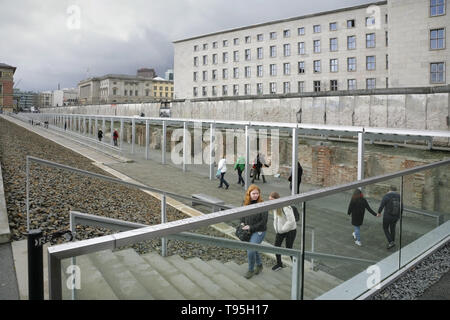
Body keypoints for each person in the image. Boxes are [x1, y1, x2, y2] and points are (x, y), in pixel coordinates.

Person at [241, 184, 268, 279]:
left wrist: (250, 227)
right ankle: (259, 265)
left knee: (251, 250)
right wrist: (242, 224)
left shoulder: (263, 205)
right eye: (253, 193)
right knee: (254, 248)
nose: (256, 195)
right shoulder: (245, 203)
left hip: (259, 231)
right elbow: (242, 215)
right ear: (249, 194)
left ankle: (251, 270)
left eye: (257, 193)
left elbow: (263, 222)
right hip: (248, 230)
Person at [269, 192, 297, 271]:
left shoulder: (285, 207)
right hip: (281, 231)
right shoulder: (275, 207)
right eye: (269, 200)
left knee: (289, 248)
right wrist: (278, 229)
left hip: (290, 230)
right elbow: (276, 220)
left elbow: (291, 221)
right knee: (276, 247)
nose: (270, 202)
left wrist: (282, 229)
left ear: (276, 199)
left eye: (272, 200)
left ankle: (296, 265)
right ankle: (279, 264)